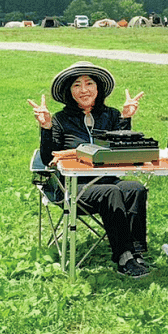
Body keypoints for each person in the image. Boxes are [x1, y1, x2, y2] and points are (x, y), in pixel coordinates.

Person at [28, 62, 150, 279]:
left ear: (98, 88)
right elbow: (49, 158)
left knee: (135, 188)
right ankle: (123, 257)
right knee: (111, 193)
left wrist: (125, 118)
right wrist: (46, 128)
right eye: (77, 85)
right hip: (76, 188)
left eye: (89, 83)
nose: (83, 90)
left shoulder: (111, 115)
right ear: (69, 92)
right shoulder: (60, 119)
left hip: (109, 179)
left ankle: (137, 253)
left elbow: (120, 149)